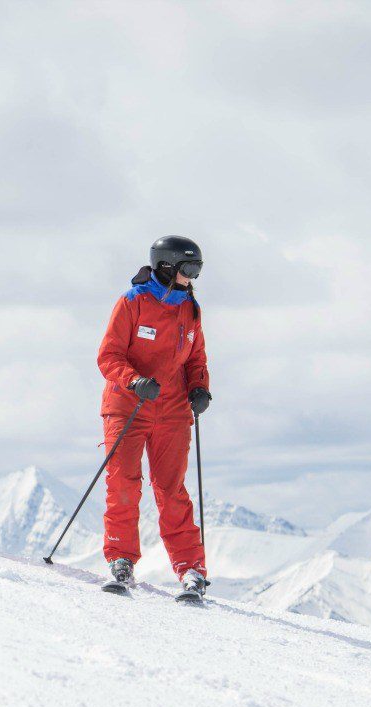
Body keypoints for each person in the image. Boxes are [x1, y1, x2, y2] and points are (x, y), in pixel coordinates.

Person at [96, 235, 212, 597]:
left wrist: (199, 388)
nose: (193, 277)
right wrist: (135, 381)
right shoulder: (132, 303)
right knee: (123, 483)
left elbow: (196, 359)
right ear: (167, 266)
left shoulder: (190, 308)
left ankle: (191, 569)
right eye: (188, 269)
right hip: (128, 405)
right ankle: (121, 561)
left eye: (198, 270)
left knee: (171, 489)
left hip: (173, 409)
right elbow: (108, 356)